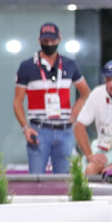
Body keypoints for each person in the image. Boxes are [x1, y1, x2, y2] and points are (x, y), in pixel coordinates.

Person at [13, 22, 91, 174]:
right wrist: (25, 128)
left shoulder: (69, 65)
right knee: (36, 178)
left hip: (64, 129)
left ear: (59, 39)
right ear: (39, 40)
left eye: (52, 41)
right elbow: (17, 101)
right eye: (45, 41)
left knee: (64, 180)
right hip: (39, 129)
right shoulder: (27, 66)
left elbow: (85, 91)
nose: (49, 44)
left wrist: (75, 112)